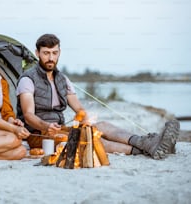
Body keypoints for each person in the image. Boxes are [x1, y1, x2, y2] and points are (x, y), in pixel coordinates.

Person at [16, 33, 180, 160]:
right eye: (46, 53)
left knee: (102, 126)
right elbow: (29, 116)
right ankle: (145, 149)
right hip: (38, 134)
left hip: (59, 128)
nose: (50, 58)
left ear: (59, 53)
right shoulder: (28, 79)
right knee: (87, 138)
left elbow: (78, 108)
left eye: (54, 53)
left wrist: (85, 118)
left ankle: (147, 142)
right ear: (37, 53)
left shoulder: (62, 79)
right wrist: (46, 126)